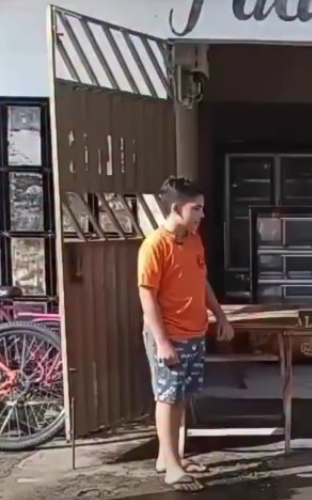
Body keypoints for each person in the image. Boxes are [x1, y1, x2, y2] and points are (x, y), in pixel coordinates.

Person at [138, 176, 234, 491]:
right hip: (170, 335)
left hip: (194, 332)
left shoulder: (194, 240)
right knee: (167, 397)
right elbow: (147, 297)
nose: (202, 215)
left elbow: (201, 281)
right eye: (196, 209)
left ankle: (170, 457)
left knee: (181, 397)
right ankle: (172, 467)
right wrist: (163, 342)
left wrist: (220, 316)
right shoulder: (155, 245)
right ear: (177, 209)